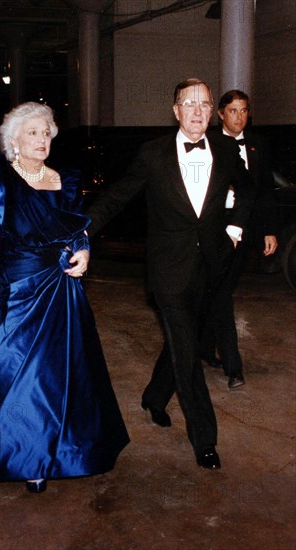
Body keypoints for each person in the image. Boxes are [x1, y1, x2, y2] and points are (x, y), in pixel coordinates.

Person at [0, 102, 129, 492]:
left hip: (60, 290)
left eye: (46, 132)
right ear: (13, 139)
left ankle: (56, 450)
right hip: (15, 290)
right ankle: (22, 452)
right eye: (32, 132)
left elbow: (76, 230)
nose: (41, 138)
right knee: (14, 375)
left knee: (59, 377)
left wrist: (84, 251)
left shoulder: (63, 180)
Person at [87, 78, 255, 470]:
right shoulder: (152, 154)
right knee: (187, 348)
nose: (197, 111)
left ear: (212, 112)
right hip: (167, 269)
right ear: (175, 110)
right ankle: (205, 439)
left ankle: (154, 396)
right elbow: (117, 196)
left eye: (204, 104)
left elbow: (249, 190)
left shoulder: (228, 149)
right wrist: (81, 229)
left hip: (213, 264)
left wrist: (234, 229)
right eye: (188, 104)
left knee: (187, 339)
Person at [201, 90, 278, 389]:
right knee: (219, 294)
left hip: (244, 228)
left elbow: (265, 190)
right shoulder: (206, 142)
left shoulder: (258, 144)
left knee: (219, 289)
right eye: (233, 111)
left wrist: (269, 229)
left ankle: (205, 349)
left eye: (244, 110)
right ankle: (233, 366)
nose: (239, 117)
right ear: (220, 113)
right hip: (215, 228)